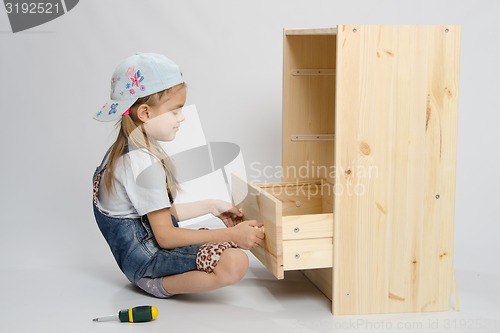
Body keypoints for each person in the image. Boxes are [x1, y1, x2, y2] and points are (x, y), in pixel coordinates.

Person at [92, 53, 264, 298]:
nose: (181, 118)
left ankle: (154, 276)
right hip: (146, 260)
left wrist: (211, 206)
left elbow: (157, 214)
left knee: (230, 244)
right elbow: (166, 236)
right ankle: (156, 284)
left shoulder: (126, 151)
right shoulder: (140, 162)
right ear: (145, 113)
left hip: (142, 253)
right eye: (175, 111)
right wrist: (231, 234)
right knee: (235, 262)